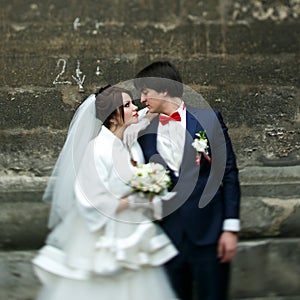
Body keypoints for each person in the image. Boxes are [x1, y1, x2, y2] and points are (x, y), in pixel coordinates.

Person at [32, 85, 178, 300]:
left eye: (132, 103)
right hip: (103, 236)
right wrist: (132, 202)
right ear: (112, 117)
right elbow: (90, 200)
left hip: (132, 231)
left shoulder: (131, 146)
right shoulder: (97, 149)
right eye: (127, 105)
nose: (135, 107)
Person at [134, 61, 241, 300]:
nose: (142, 99)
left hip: (209, 234)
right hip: (167, 238)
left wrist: (230, 228)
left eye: (145, 92)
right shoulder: (142, 132)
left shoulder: (208, 119)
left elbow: (229, 173)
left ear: (164, 90)